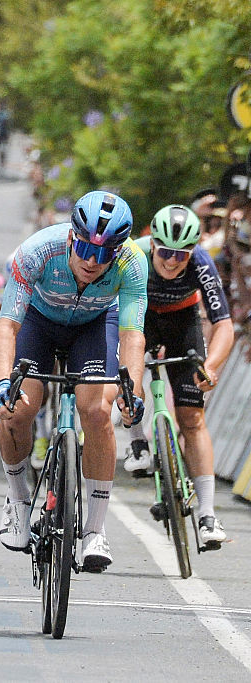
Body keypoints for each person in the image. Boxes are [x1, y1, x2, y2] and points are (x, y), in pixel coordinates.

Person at [0, 190, 147, 572]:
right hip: (38, 324)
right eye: (85, 250)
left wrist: (132, 391)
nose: (93, 262)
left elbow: (132, 337)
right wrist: (0, 384)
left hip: (94, 326)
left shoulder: (132, 263)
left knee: (96, 411)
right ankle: (18, 500)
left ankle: (94, 530)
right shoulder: (37, 252)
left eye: (105, 254)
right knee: (16, 411)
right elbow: (7, 327)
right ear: (70, 238)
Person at [124, 205, 232, 548]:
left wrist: (211, 366)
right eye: (165, 252)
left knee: (192, 418)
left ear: (192, 251)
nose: (172, 262)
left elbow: (224, 325)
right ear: (153, 244)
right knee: (131, 382)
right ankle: (138, 442)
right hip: (139, 318)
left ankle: (208, 515)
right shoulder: (132, 254)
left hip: (182, 323)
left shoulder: (201, 262)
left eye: (180, 255)